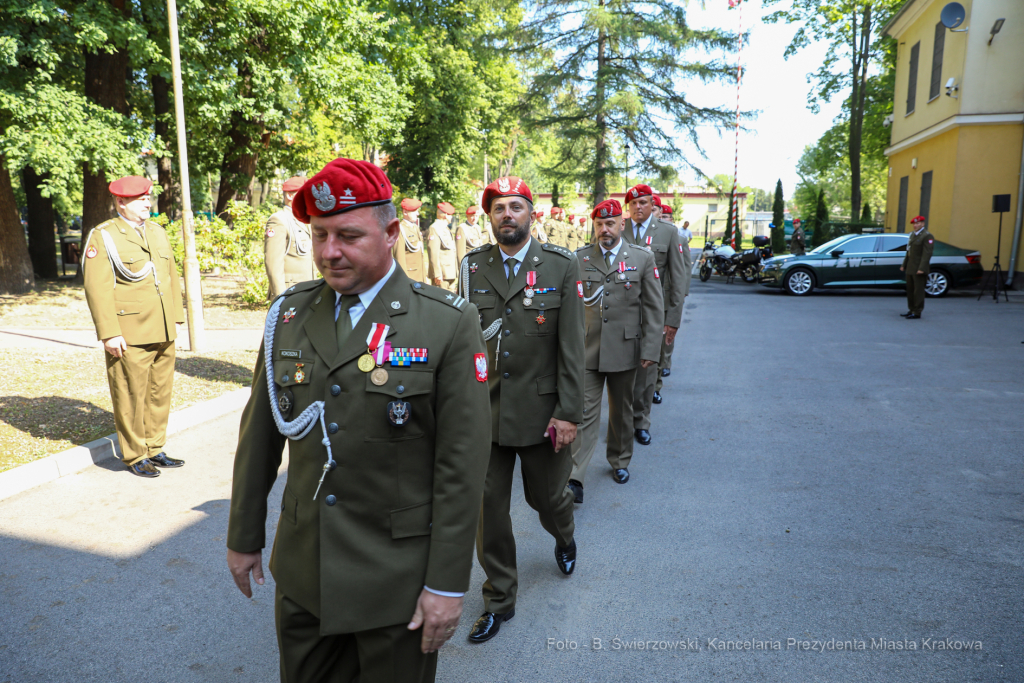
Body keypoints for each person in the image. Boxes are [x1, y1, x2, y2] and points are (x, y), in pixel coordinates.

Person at [226, 158, 491, 683]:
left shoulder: (446, 322)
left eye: (348, 235)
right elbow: (259, 434)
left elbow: (461, 468)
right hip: (306, 571)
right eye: (319, 234)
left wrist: (447, 584)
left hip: (398, 582)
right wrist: (243, 534)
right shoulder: (289, 315)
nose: (328, 252)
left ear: (391, 232)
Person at [458, 175, 584, 644]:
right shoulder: (472, 267)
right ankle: (498, 599)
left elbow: (571, 346)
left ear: (532, 213)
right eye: (498, 208)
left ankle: (565, 535)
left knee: (547, 500)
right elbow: (461, 345)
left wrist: (569, 411)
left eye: (516, 206)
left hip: (543, 412)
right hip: (484, 414)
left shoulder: (560, 265)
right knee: (488, 511)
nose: (507, 215)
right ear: (489, 217)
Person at [82, 176, 185, 478]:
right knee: (130, 395)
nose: (147, 203)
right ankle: (135, 454)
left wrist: (175, 316)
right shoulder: (104, 236)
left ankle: (155, 447)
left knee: (159, 392)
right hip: (129, 331)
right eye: (141, 199)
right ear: (121, 202)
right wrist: (109, 332)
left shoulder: (156, 232)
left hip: (163, 327)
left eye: (148, 198)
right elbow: (97, 288)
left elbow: (170, 275)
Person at [568, 199, 663, 503]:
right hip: (588, 349)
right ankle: (574, 476)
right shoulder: (579, 259)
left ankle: (619, 460)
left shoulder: (641, 258)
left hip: (626, 349)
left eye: (610, 224)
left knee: (622, 414)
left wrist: (651, 349)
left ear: (622, 224)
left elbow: (653, 308)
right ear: (593, 226)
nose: (604, 229)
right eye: (599, 224)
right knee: (582, 414)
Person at [621, 184, 685, 446]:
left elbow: (678, 278)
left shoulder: (668, 233)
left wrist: (672, 320)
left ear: (652, 205)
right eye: (634, 204)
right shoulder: (617, 228)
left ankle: (641, 421)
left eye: (644, 203)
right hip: (620, 314)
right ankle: (621, 422)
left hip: (652, 315)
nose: (638, 207)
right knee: (620, 372)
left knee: (647, 372)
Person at [654, 211, 690, 399]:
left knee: (663, 343)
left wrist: (682, 292)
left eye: (667, 219)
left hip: (668, 296)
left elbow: (683, 269)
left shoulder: (680, 240)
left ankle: (660, 375)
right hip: (651, 297)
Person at [264, 176, 316, 299]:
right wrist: (281, 297)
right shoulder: (279, 220)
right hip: (290, 293)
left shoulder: (307, 220)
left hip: (309, 290)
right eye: (303, 193)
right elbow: (273, 263)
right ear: (290, 195)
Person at [900, 215, 934, 319]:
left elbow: (927, 254)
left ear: (923, 224)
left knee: (918, 291)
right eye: (914, 224)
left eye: (918, 223)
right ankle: (911, 309)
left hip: (919, 268)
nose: (915, 225)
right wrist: (904, 264)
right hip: (911, 267)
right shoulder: (912, 235)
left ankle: (917, 311)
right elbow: (909, 252)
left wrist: (922, 268)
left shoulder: (927, 236)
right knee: (910, 290)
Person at [394, 197, 430, 283]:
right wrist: (403, 280)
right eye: (414, 211)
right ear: (405, 212)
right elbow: (399, 257)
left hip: (420, 275)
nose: (417, 214)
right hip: (409, 277)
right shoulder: (400, 230)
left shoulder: (415, 228)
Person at [427, 202, 459, 292]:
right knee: (440, 301)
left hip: (450, 272)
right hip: (442, 274)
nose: (451, 217)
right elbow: (433, 252)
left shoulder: (445, 229)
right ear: (445, 215)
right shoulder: (434, 228)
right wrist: (437, 273)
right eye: (450, 215)